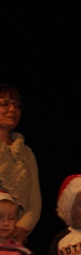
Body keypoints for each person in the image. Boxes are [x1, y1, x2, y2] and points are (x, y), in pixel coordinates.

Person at [0, 85, 41, 243]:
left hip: (13, 239)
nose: (12, 109)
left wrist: (18, 229)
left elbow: (34, 205)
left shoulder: (26, 154)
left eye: (17, 105)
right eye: (5, 104)